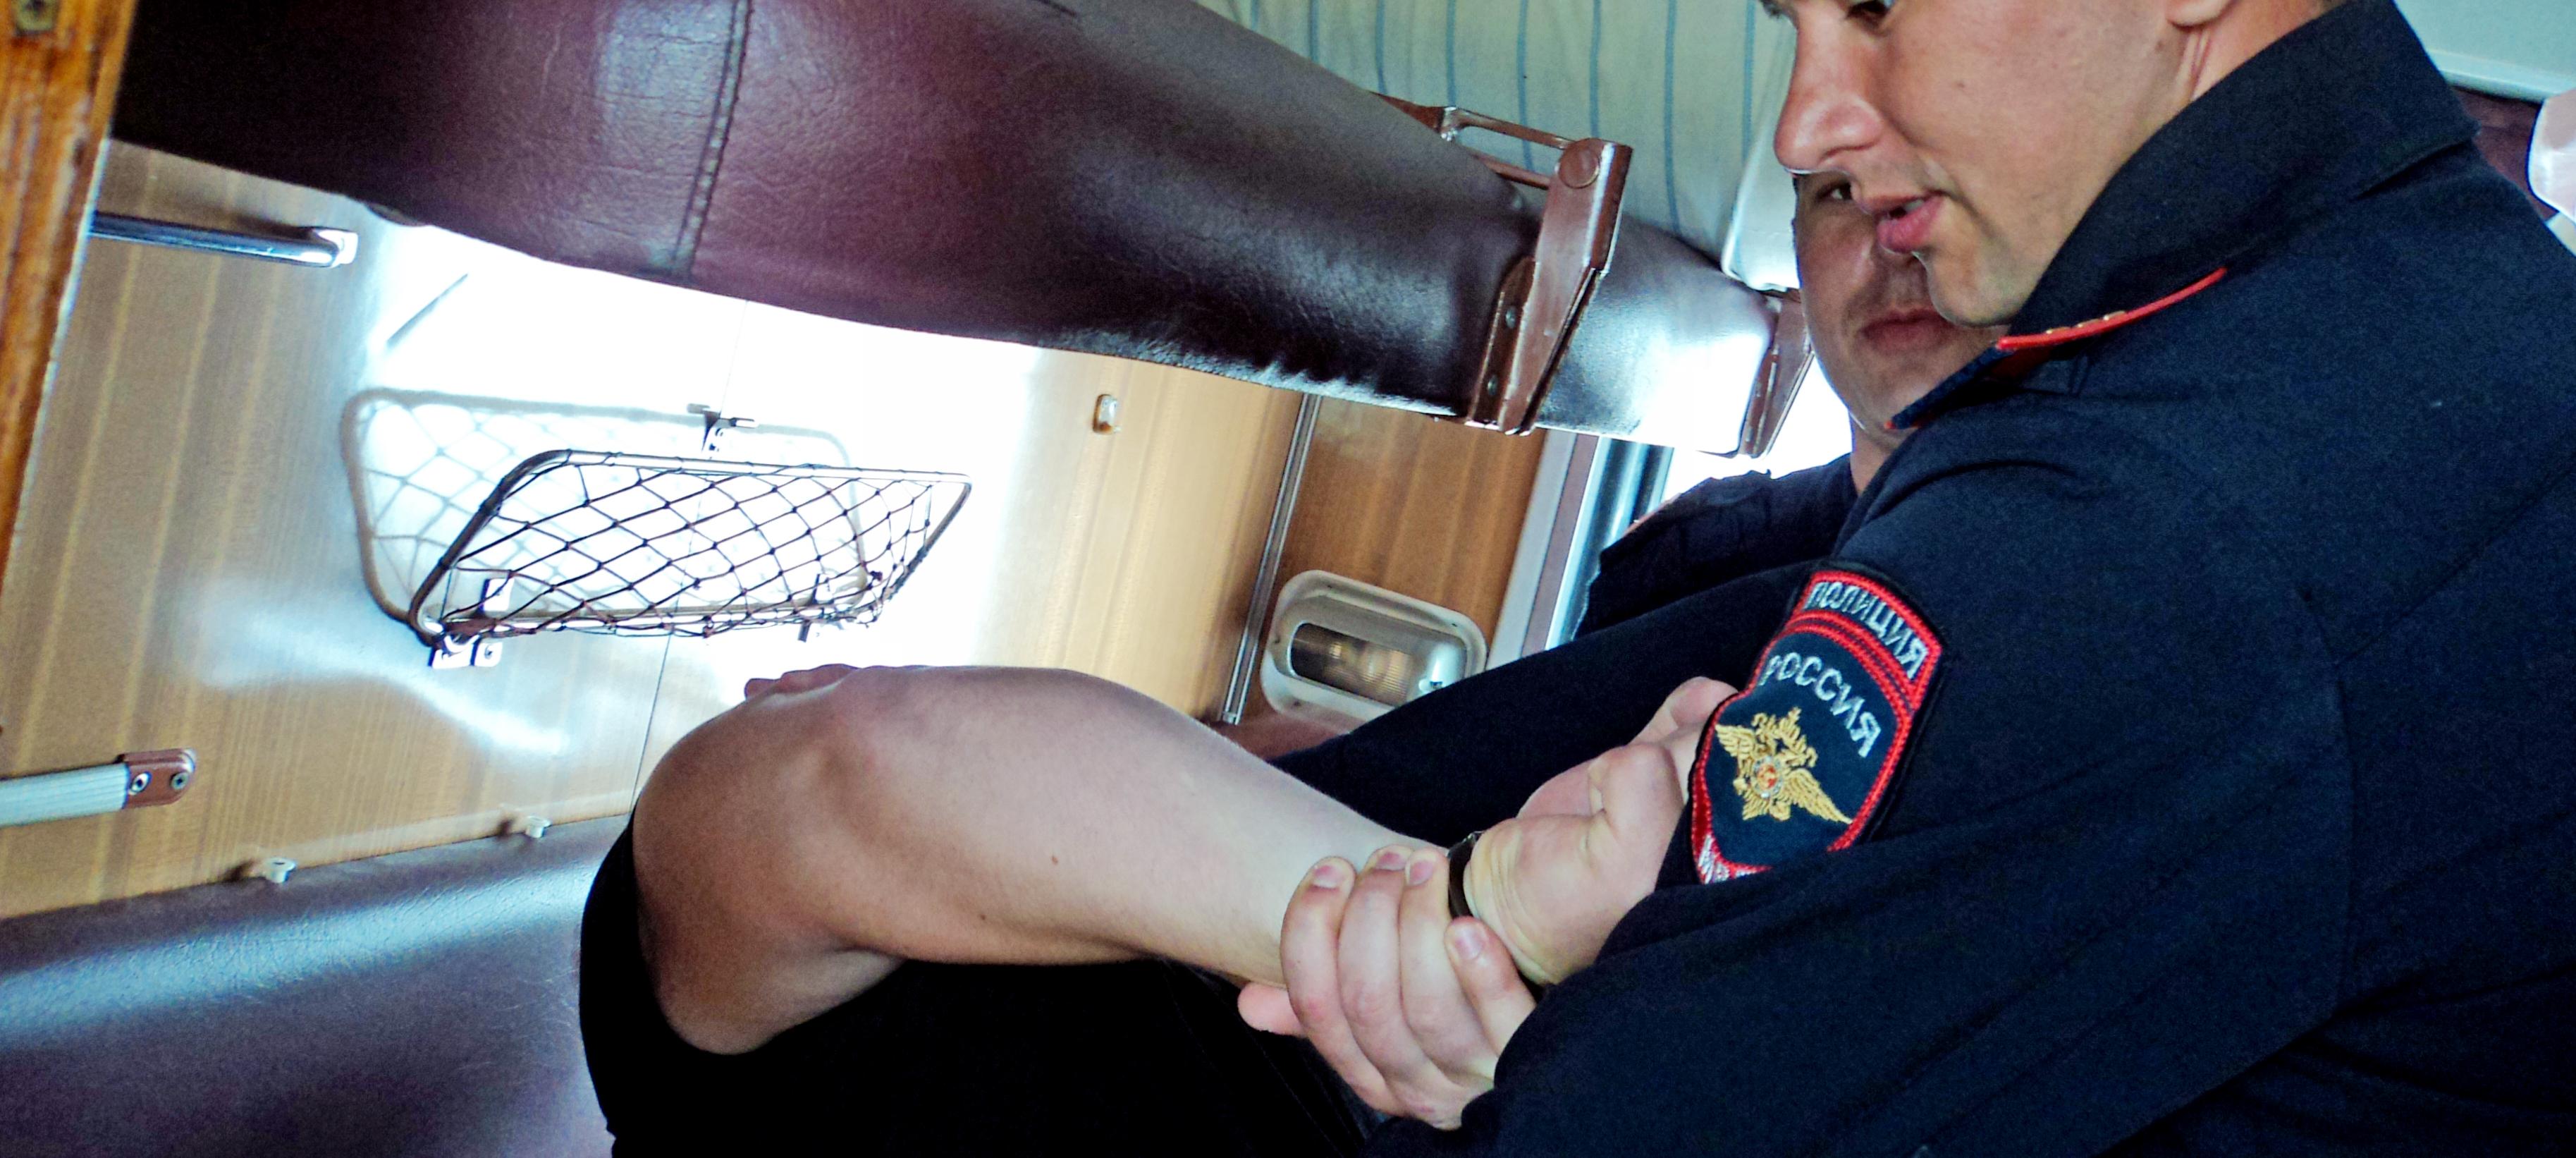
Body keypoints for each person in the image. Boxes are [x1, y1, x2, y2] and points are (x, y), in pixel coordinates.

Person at [587, 0, 2576, 1152]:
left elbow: (812, 792)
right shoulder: (2371, 354)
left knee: (767, 806)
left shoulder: (2156, 525)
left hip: (952, 979)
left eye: (1880, 1)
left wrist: (1474, 926)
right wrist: (1470, 917)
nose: (1809, 113)